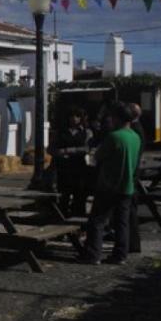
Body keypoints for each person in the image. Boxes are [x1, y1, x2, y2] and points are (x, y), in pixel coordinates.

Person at [78, 102, 141, 265]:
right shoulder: (135, 137)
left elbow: (96, 157)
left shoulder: (114, 137)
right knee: (122, 222)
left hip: (108, 185)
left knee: (97, 221)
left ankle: (93, 254)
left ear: (117, 118)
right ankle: (120, 254)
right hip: (127, 186)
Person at [56, 108, 92, 217]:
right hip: (64, 167)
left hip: (79, 166)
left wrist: (69, 150)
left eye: (77, 116)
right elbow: (52, 148)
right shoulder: (61, 132)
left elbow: (87, 148)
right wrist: (58, 153)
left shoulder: (86, 132)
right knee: (64, 195)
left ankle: (79, 219)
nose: (74, 119)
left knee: (80, 195)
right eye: (71, 116)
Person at [126, 102, 146, 253]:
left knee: (129, 210)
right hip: (134, 171)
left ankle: (131, 243)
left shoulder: (134, 131)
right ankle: (130, 242)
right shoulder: (137, 130)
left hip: (131, 174)